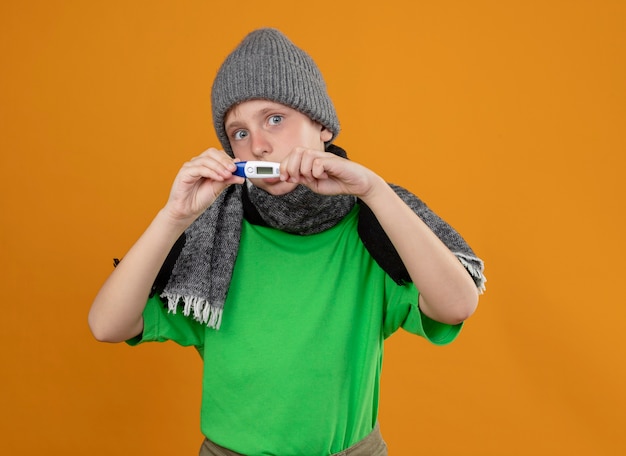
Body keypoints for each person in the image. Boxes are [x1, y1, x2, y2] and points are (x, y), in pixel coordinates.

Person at [89, 28, 485, 456]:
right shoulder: (213, 234)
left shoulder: (375, 225)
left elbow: (457, 305)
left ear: (322, 126)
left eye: (275, 119)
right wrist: (174, 217)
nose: (258, 144)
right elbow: (107, 325)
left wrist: (373, 190)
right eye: (238, 133)